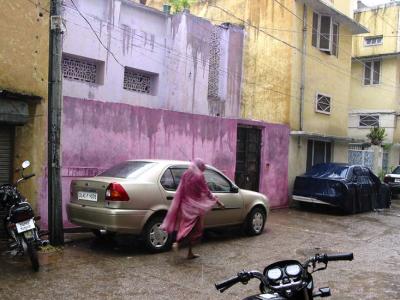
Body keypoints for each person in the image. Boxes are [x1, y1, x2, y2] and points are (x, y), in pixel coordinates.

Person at [160, 158, 225, 259]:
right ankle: (178, 243)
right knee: (195, 230)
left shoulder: (186, 174)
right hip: (195, 208)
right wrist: (218, 201)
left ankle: (189, 252)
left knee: (187, 228)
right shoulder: (200, 176)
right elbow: (206, 191)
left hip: (185, 206)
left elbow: (181, 190)